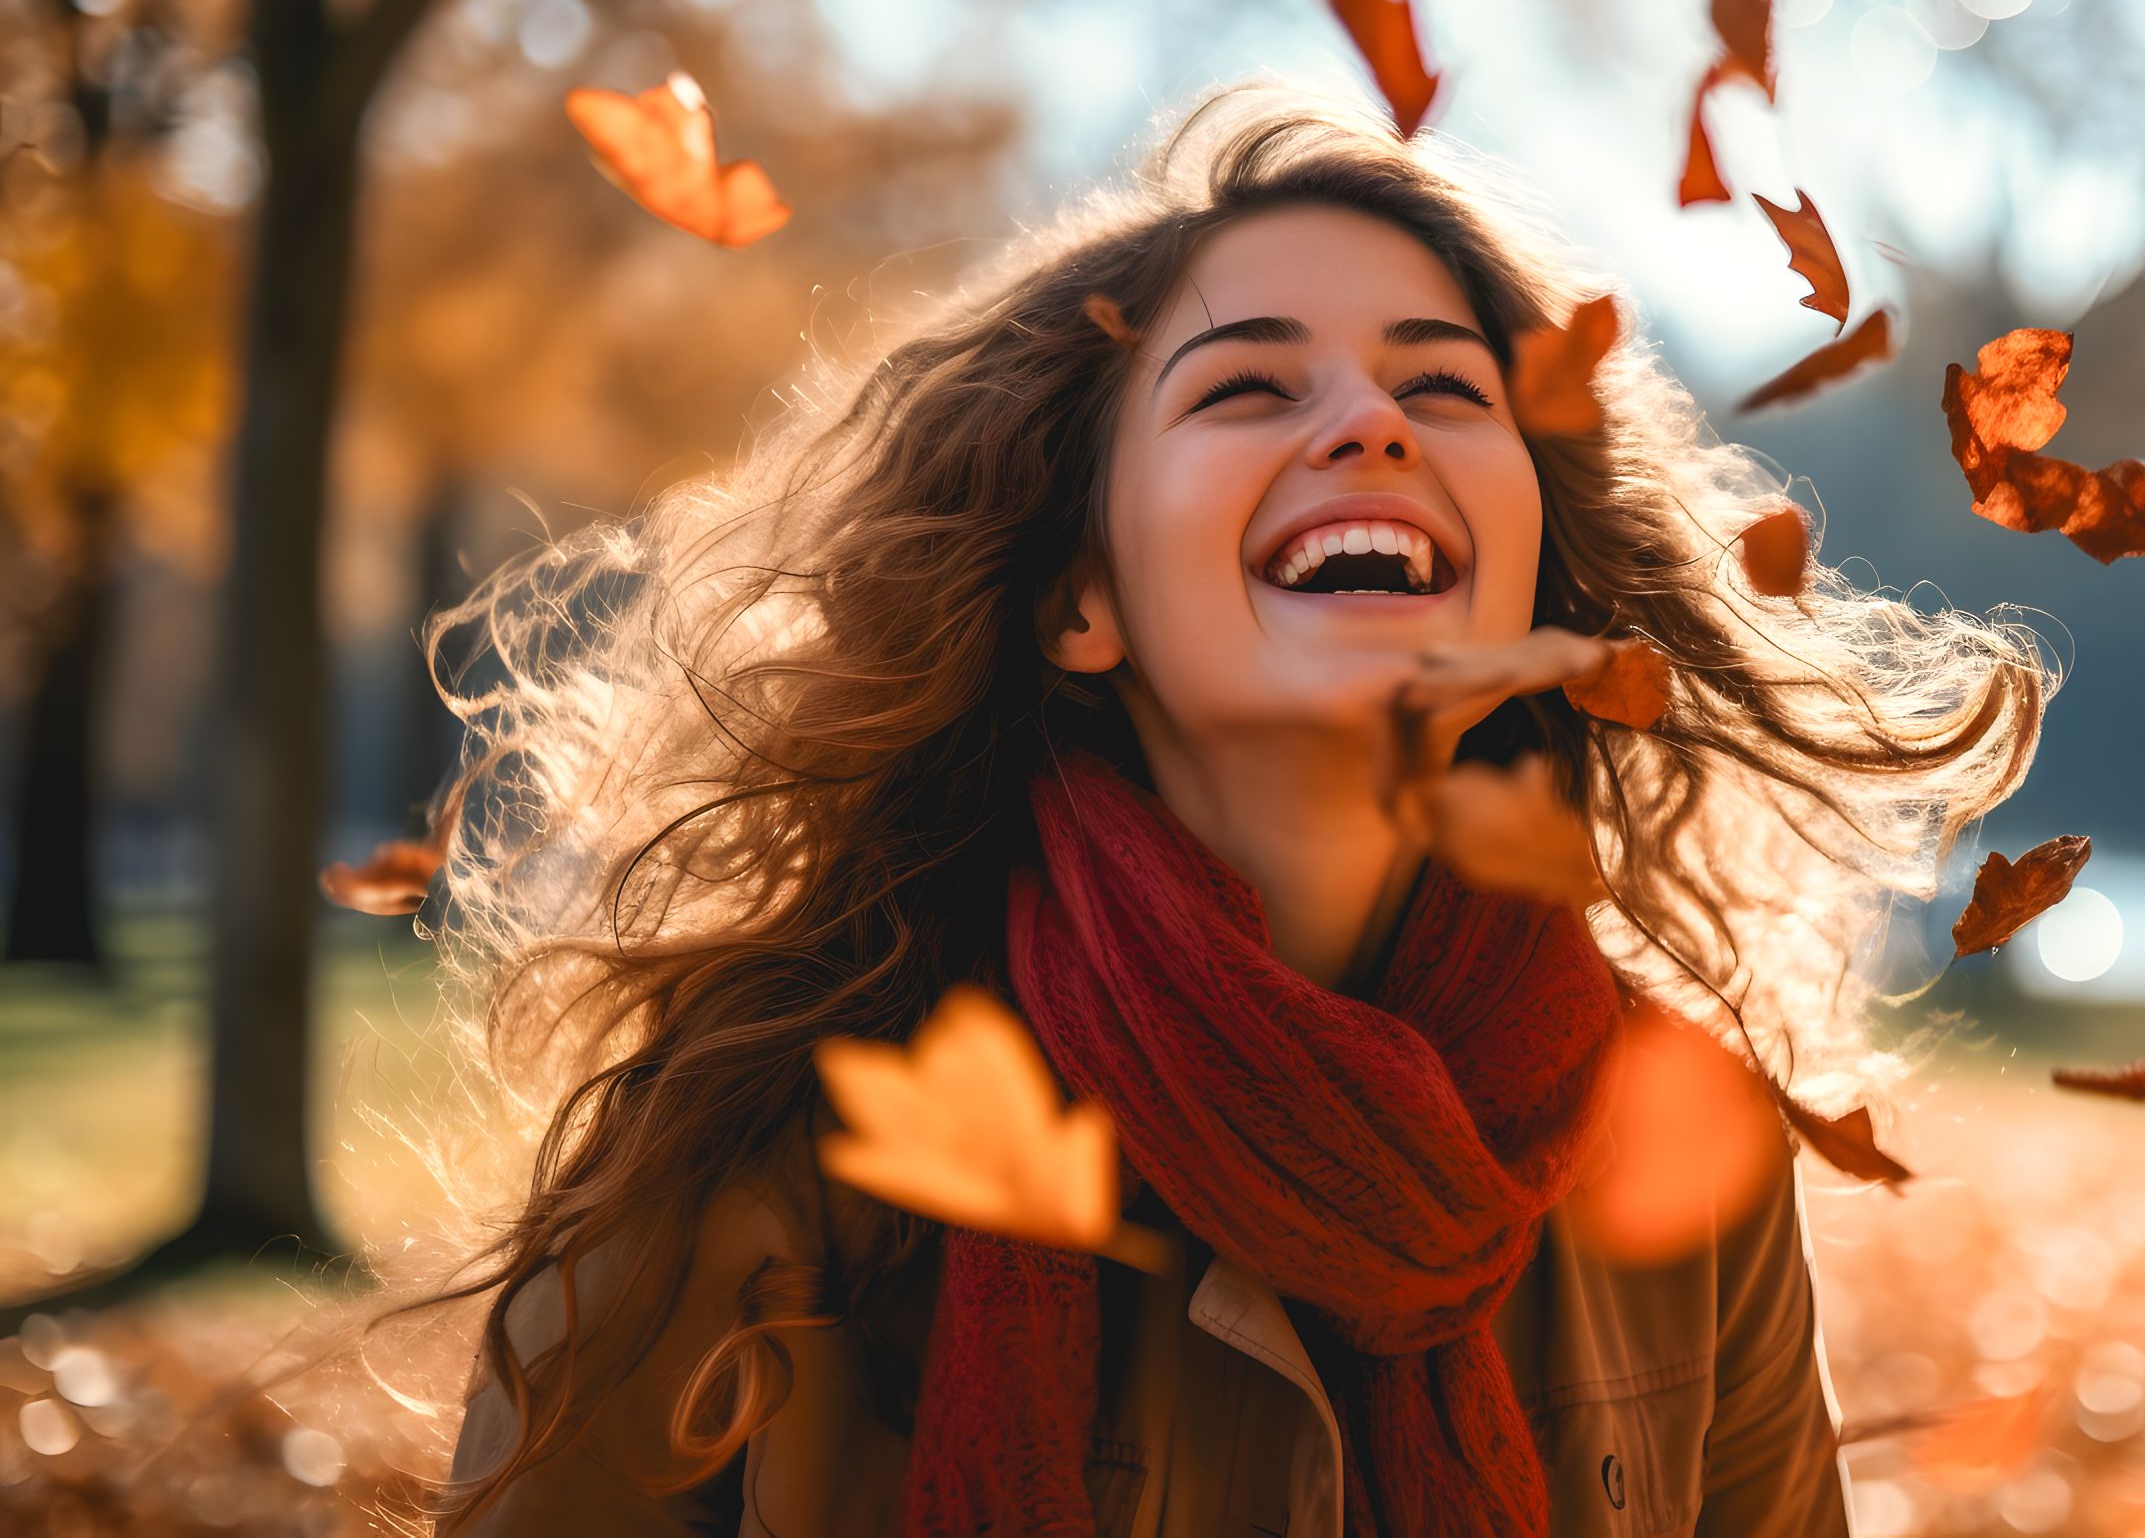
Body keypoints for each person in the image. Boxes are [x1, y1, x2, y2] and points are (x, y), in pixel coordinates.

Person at [421, 83, 2045, 1536]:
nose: (1372, 422)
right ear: (1078, 600)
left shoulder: (1684, 1155)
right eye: (1248, 390)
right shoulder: (761, 1160)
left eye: (1447, 388)